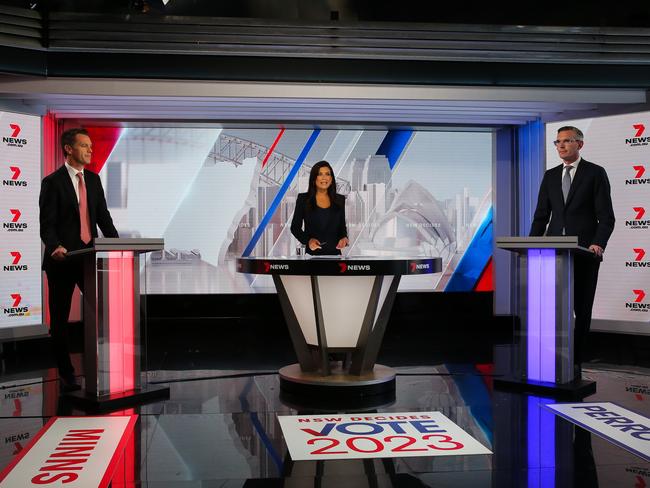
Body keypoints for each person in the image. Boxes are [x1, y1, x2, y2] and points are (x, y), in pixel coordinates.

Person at [529, 126, 615, 375]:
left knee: (582, 308)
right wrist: (532, 245)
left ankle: (575, 362)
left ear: (580, 144)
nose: (561, 146)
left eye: (567, 141)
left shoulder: (595, 173)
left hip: (584, 253)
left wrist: (598, 244)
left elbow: (606, 217)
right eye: (558, 142)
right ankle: (549, 360)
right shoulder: (550, 176)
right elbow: (541, 216)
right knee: (551, 309)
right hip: (553, 255)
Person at [39, 128, 119, 391]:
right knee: (60, 319)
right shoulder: (53, 182)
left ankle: (107, 364)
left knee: (106, 311)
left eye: (91, 146)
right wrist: (54, 246)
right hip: (63, 260)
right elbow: (46, 224)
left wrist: (119, 246)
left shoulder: (94, 180)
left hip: (88, 258)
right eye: (84, 146)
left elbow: (104, 218)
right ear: (68, 149)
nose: (90, 150)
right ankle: (65, 371)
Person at [291, 160, 349, 256]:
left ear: (331, 178)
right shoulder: (303, 199)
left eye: (327, 174)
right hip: (311, 256)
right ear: (314, 178)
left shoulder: (340, 199)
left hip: (335, 256)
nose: (324, 177)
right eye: (320, 174)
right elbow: (295, 227)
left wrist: (344, 238)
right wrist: (308, 241)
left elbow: (342, 226)